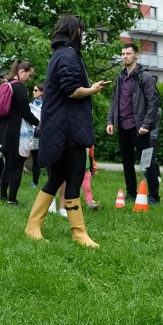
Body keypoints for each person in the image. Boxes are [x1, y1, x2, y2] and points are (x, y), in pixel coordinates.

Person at [24, 15, 108, 248]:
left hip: (60, 127)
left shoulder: (60, 54)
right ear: (75, 31)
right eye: (82, 30)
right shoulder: (68, 56)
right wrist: (92, 89)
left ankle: (33, 226)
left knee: (58, 177)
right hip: (68, 129)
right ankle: (78, 233)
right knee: (74, 177)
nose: (83, 34)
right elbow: (71, 90)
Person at [105, 43, 161, 205]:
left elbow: (153, 103)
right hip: (123, 126)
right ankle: (131, 192)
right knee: (127, 161)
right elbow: (114, 101)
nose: (125, 56)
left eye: (128, 53)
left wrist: (146, 124)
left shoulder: (145, 77)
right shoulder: (120, 77)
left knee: (147, 161)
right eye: (123, 54)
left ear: (136, 55)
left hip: (140, 128)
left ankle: (154, 196)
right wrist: (111, 121)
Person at [0, 60, 39, 207]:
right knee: (17, 165)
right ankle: (12, 200)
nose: (29, 79)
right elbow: (25, 111)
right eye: (29, 75)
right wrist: (38, 123)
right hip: (16, 131)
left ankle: (2, 196)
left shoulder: (4, 84)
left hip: (4, 130)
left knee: (8, 164)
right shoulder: (19, 87)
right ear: (22, 71)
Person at [29, 83, 44, 188]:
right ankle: (35, 181)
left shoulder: (47, 105)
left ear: (42, 92)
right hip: (34, 135)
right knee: (35, 157)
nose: (33, 92)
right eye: (33, 90)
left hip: (44, 135)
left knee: (48, 157)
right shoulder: (30, 105)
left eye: (36, 90)